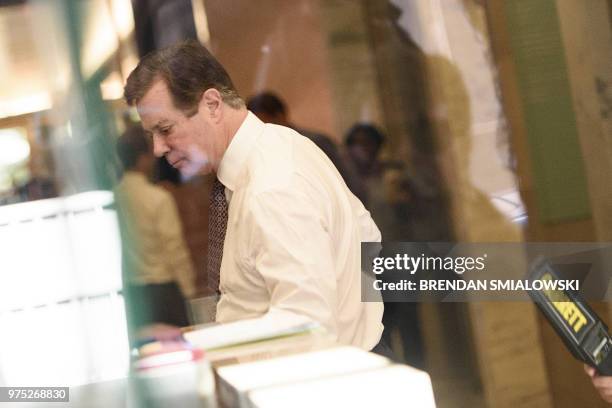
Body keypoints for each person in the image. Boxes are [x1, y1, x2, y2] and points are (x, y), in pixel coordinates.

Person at [123, 40, 385, 352]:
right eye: (151, 135)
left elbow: (308, 325)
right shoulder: (280, 144)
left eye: (165, 129)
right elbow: (366, 233)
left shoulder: (271, 186)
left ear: (212, 105)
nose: (158, 148)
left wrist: (194, 344)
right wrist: (357, 318)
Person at [115, 126, 196, 333]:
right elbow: (174, 247)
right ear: (143, 158)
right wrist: (187, 291)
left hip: (132, 293)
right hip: (164, 292)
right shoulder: (158, 198)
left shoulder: (113, 199)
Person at [246, 91, 357, 193]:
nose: (261, 128)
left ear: (280, 116)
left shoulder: (316, 141)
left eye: (264, 122)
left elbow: (347, 182)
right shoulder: (262, 150)